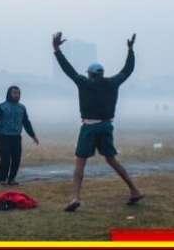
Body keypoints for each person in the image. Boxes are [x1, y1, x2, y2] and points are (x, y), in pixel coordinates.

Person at [52, 31, 143, 211]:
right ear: (101, 73)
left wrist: (56, 49)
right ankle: (134, 190)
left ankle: (75, 198)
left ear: (90, 74)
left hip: (89, 127)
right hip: (106, 126)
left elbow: (68, 69)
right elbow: (127, 70)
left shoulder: (84, 82)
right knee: (112, 160)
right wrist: (130, 50)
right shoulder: (112, 82)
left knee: (80, 163)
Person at [0, 86, 39, 186]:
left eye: (18, 93)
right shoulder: (1, 107)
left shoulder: (22, 108)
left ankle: (12, 179)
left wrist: (33, 136)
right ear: (9, 94)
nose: (16, 95)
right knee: (5, 159)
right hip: (4, 136)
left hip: (16, 137)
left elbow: (26, 122)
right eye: (14, 93)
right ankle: (2, 179)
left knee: (16, 159)